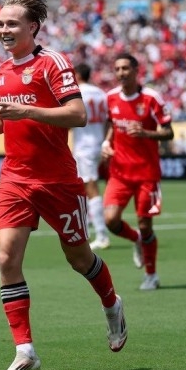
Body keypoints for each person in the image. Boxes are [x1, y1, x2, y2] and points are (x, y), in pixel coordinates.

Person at [0, 0, 127, 370]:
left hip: (57, 180)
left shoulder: (52, 63)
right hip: (15, 179)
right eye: (0, 23)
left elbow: (77, 114)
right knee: (6, 258)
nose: (3, 30)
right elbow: (4, 119)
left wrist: (28, 110)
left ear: (33, 27)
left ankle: (111, 303)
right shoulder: (3, 70)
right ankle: (25, 350)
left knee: (79, 258)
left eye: (12, 23)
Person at [101, 53, 174, 291]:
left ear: (136, 70)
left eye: (125, 68)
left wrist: (146, 133)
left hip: (147, 173)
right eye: (117, 69)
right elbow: (112, 124)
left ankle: (151, 275)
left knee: (145, 225)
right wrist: (107, 143)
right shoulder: (111, 97)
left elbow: (169, 132)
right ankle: (136, 240)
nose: (121, 73)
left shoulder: (151, 98)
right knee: (110, 220)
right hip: (119, 172)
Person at [71, 62, 110, 250]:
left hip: (84, 146)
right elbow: (108, 121)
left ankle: (102, 234)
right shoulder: (101, 94)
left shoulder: (77, 93)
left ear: (78, 75)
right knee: (84, 187)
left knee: (91, 187)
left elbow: (72, 118)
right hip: (99, 143)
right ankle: (86, 226)